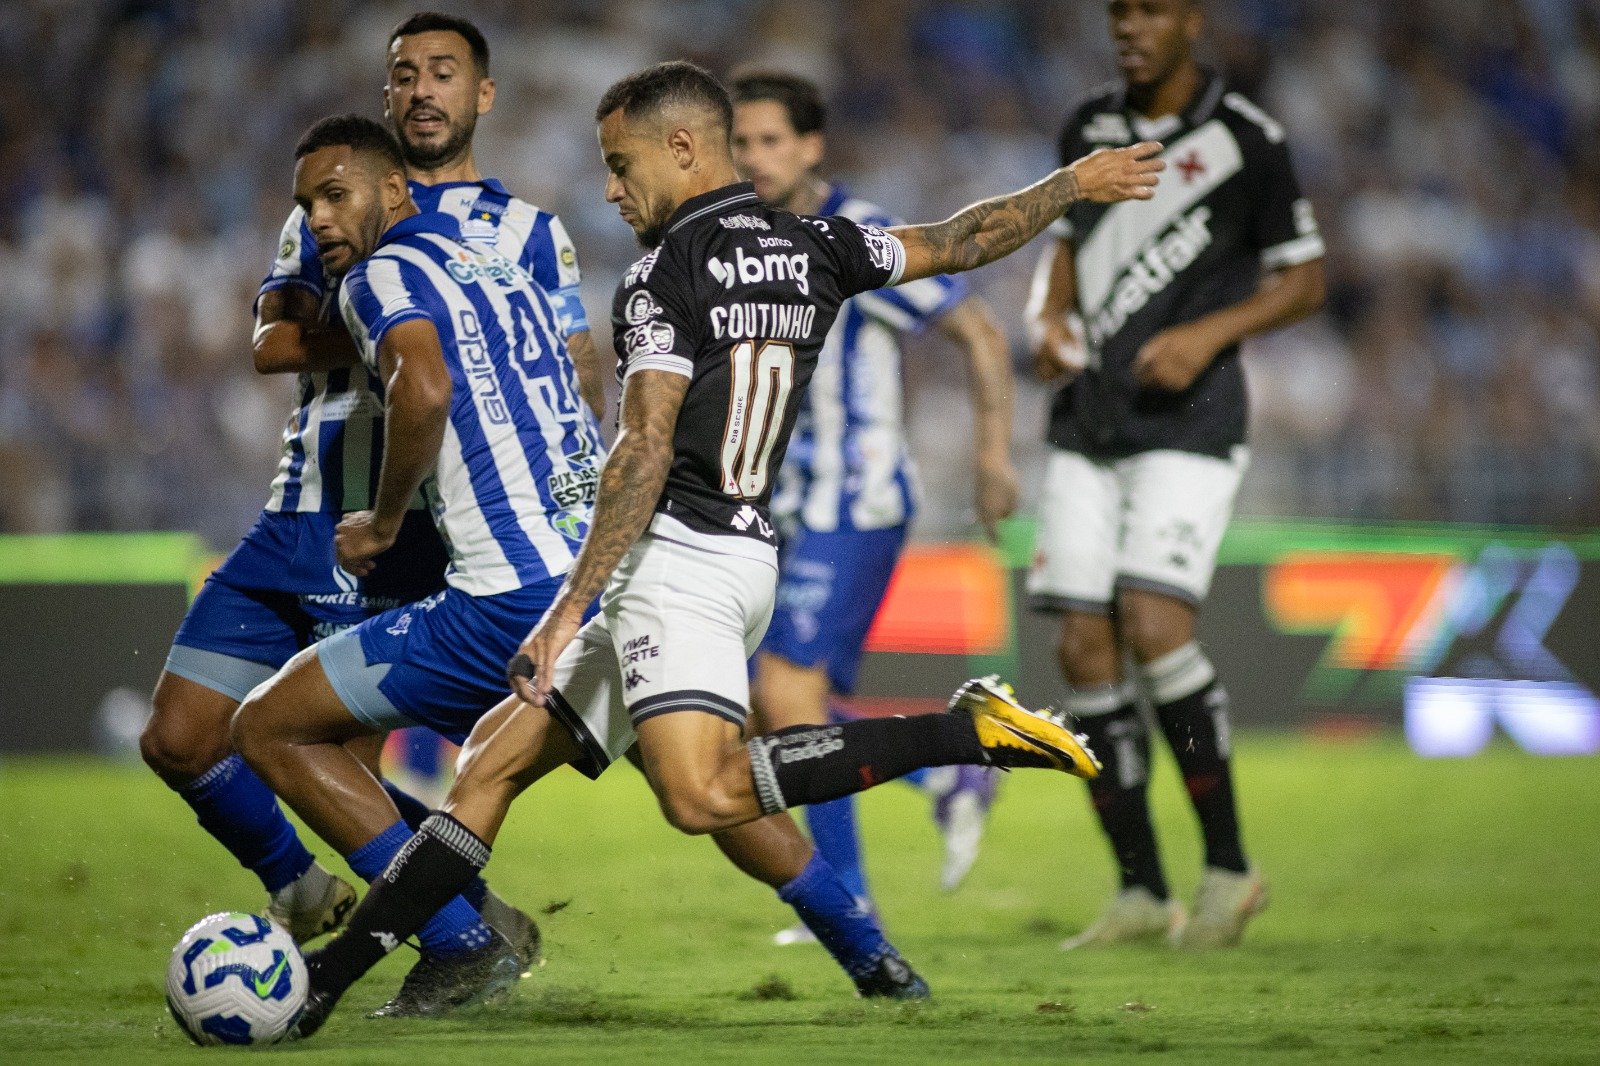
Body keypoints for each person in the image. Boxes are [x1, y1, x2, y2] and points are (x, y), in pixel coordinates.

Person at [288, 61, 1162, 1038]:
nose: (612, 191)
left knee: (700, 794)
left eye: (621, 167)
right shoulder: (813, 243)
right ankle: (331, 981)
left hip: (680, 563)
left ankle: (962, 733)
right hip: (732, 547)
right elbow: (959, 240)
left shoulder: (664, 276)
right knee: (487, 769)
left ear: (682, 148)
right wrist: (1070, 185)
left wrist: (568, 607)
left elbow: (645, 447)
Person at [137, 11, 580, 955]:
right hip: (294, 505)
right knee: (177, 738)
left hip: (398, 527)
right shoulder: (329, 204)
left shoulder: (530, 233)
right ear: (386, 97)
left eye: (444, 72)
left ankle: (462, 938)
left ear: (482, 95)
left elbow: (568, 363)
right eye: (405, 74)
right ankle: (304, 888)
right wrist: (395, 314)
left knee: (325, 752)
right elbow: (272, 342)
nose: (423, 89)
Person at [1025, 0, 1326, 950]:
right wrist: (1047, 318)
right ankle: (1141, 890)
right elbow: (1064, 251)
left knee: (1154, 625)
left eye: (1150, 10)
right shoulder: (1089, 126)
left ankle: (1230, 871)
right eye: (1118, 12)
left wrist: (1207, 333)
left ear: (1193, 21)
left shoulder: (1248, 139)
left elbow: (1305, 278)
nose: (1128, 27)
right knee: (1082, 650)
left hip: (1188, 423)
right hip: (1087, 418)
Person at [729, 70, 1015, 935]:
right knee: (756, 703)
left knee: (788, 696)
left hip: (855, 502)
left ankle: (845, 900)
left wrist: (994, 451)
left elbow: (978, 327)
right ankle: (946, 771)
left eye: (771, 140)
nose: (754, 158)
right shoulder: (733, 240)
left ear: (811, 145)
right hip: (773, 510)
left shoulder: (865, 234)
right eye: (740, 142)